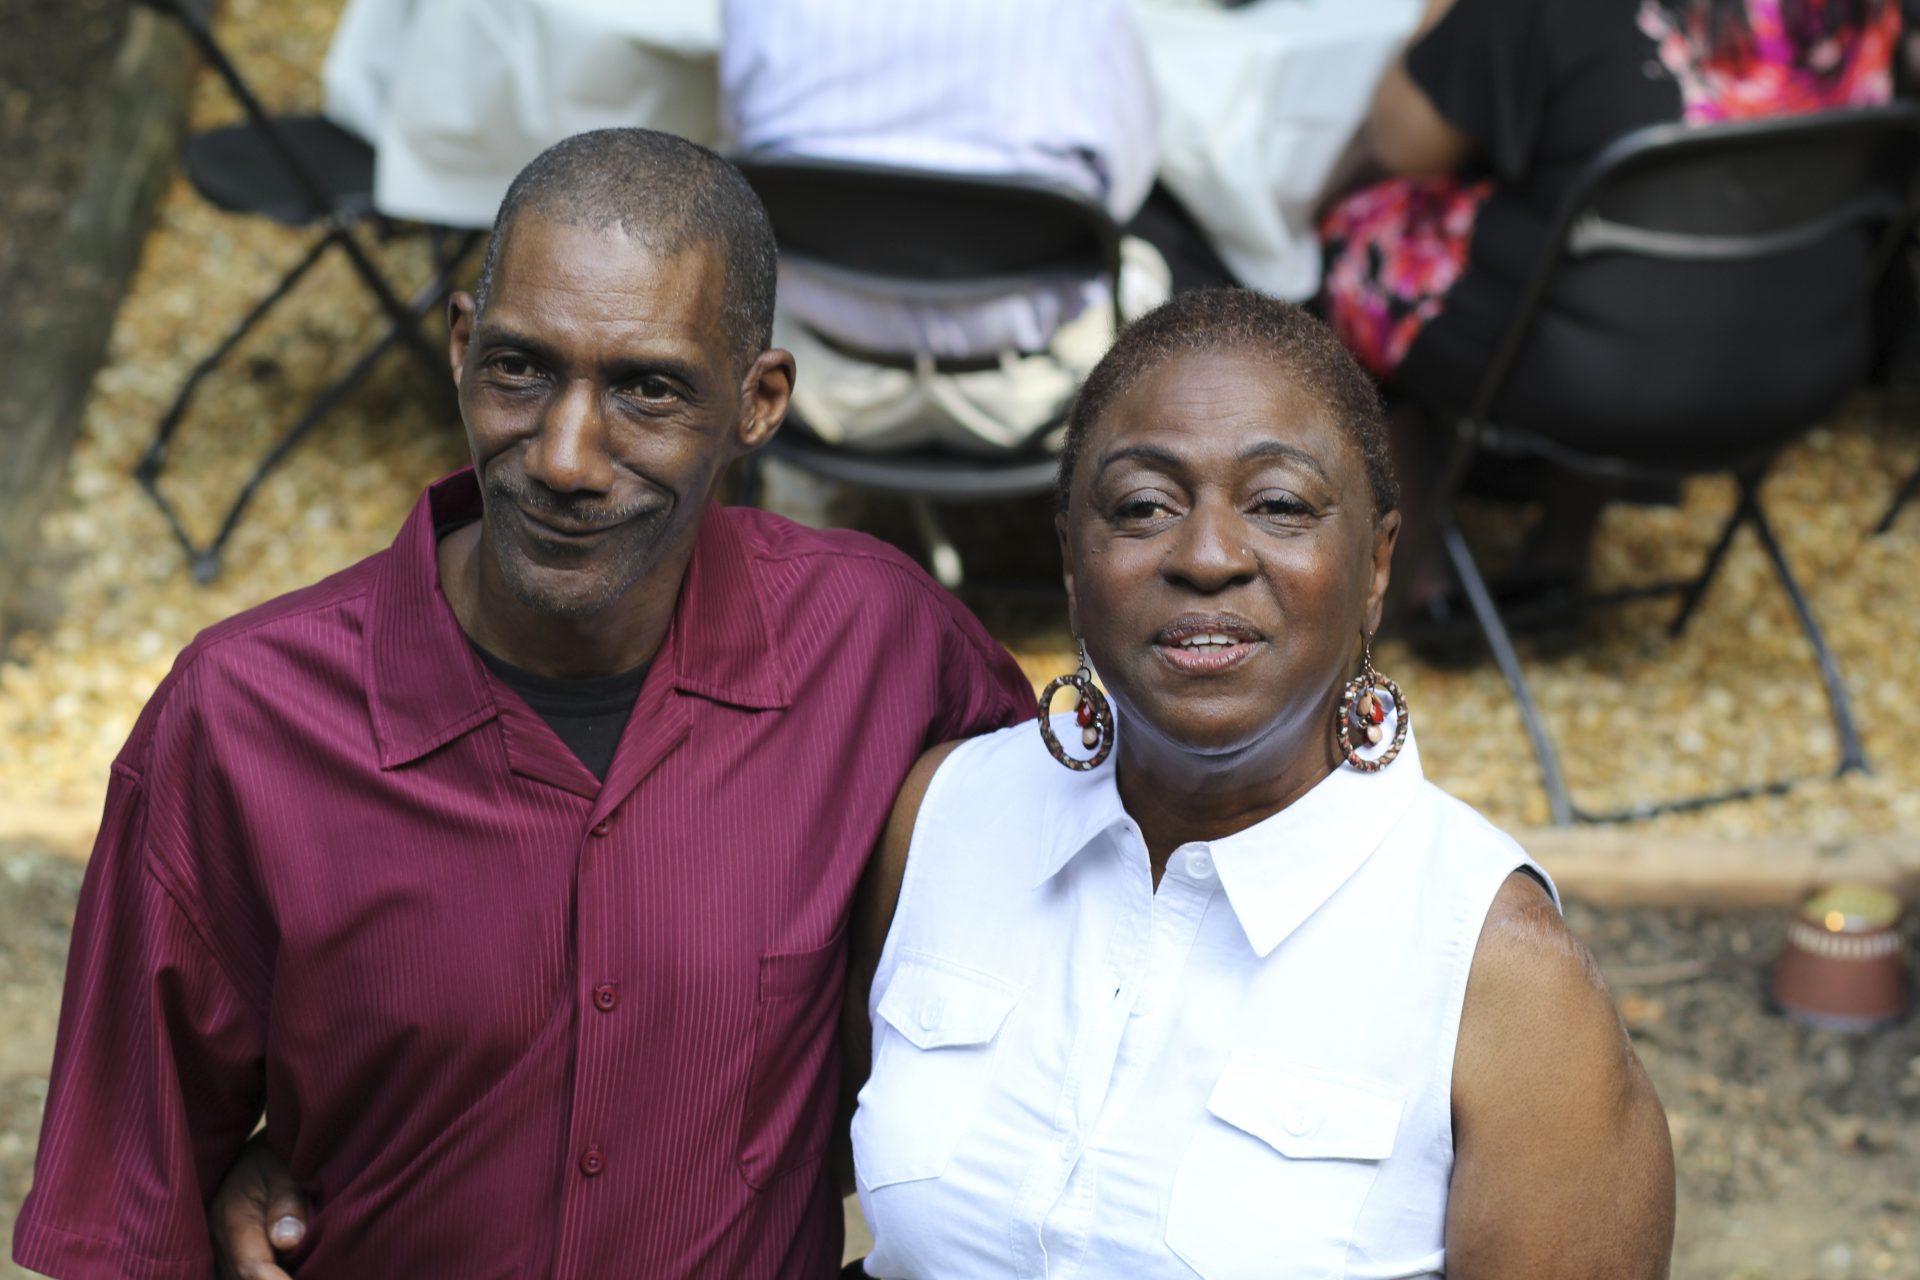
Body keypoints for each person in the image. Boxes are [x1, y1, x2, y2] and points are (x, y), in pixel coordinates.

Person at [11, 128, 1034, 1280]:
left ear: (759, 402)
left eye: (647, 389)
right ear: (459, 347)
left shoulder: (883, 650)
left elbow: (1097, 899)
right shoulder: (240, 722)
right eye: (521, 369)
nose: (565, 456)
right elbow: (124, 1215)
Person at [844, 291, 1676, 1276]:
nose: (1206, 557)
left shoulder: (1499, 973)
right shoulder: (942, 820)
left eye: (1279, 504)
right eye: (1143, 506)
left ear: (1376, 565)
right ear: (1072, 559)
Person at [1319, 0, 1902, 613]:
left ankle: (1418, 566)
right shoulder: (1863, 13)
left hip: (1601, 379)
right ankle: (1562, 549)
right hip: (1806, 362)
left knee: (1357, 242)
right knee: (1640, 265)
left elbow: (1403, 144)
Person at [721, 0, 1175, 460]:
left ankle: (795, 489)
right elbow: (1121, 194)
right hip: (1034, 399)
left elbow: (747, 169)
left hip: (813, 384)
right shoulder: (1085, 13)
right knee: (1148, 250)